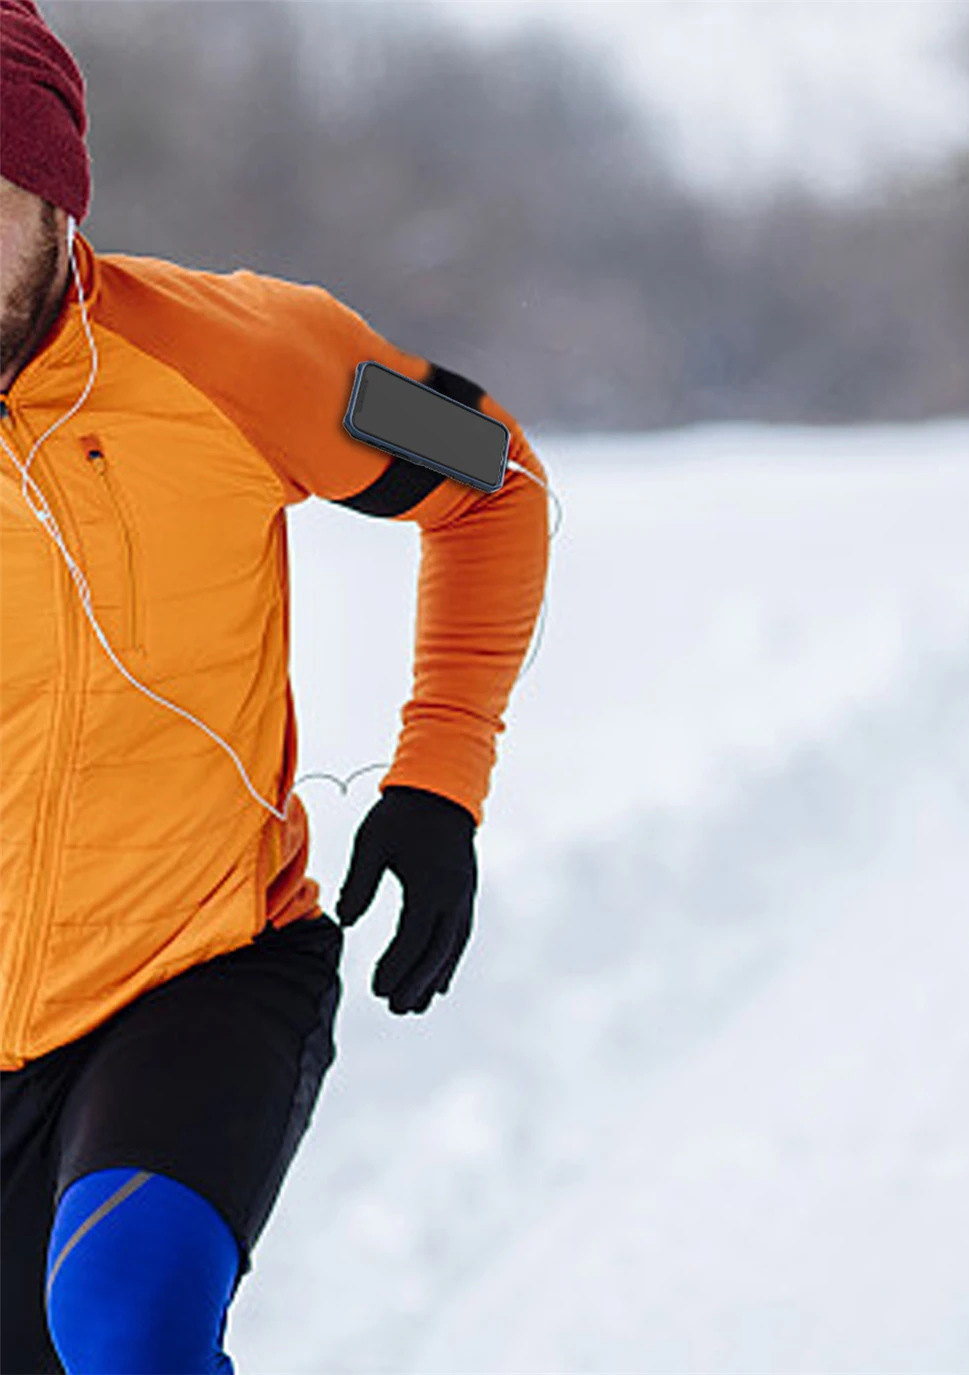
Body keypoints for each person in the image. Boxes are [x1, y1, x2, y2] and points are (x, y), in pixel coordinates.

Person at [0, 2, 550, 1371]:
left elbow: (492, 476)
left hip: (194, 976)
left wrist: (441, 774)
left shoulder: (245, 354)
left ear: (55, 200)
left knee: (127, 1328)